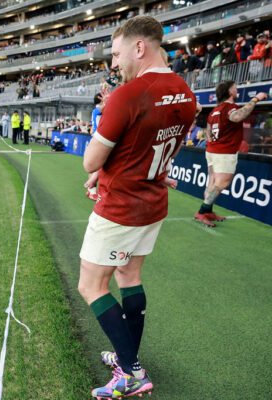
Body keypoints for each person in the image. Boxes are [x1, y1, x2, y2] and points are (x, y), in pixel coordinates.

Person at [78, 16, 196, 399]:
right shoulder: (185, 92)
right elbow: (156, 151)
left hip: (122, 208)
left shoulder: (128, 95)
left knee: (92, 285)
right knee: (129, 276)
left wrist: (100, 170)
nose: (114, 64)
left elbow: (90, 161)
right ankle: (127, 356)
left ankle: (130, 372)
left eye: (116, 53)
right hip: (152, 203)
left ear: (139, 47)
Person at [194, 81, 267, 227]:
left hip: (212, 150)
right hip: (224, 153)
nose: (237, 88)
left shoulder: (214, 111)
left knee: (213, 182)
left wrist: (214, 143)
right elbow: (237, 117)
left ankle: (208, 211)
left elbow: (208, 132)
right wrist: (256, 99)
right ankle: (202, 211)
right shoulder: (230, 107)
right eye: (234, 87)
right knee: (222, 183)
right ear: (229, 92)